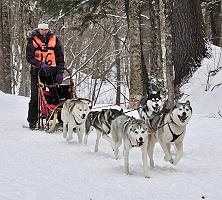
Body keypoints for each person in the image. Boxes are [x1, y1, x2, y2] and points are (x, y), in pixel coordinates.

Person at [26, 19, 65, 129]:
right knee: (35, 97)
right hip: (37, 72)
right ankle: (32, 121)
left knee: (57, 95)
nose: (44, 31)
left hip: (52, 72)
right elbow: (29, 57)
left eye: (46, 29)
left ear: (48, 29)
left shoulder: (54, 40)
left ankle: (61, 119)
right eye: (42, 29)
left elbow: (60, 57)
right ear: (39, 29)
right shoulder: (32, 40)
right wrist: (40, 64)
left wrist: (60, 72)